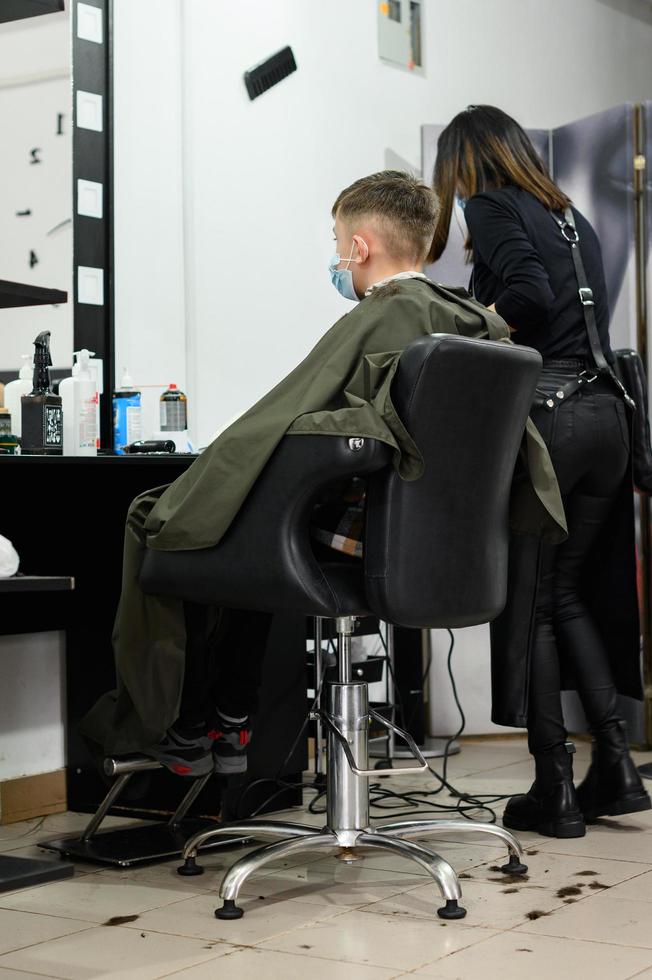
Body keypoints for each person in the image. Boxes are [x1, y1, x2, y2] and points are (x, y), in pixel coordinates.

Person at [83, 170, 564, 779]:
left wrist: (214, 475)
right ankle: (228, 721)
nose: (337, 257)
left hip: (372, 537)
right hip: (444, 541)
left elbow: (293, 421)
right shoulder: (471, 323)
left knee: (169, 518)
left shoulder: (386, 317)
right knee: (247, 522)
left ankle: (171, 726)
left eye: (338, 241)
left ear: (359, 246)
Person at [430, 104, 651, 838]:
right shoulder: (569, 214)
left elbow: (525, 295)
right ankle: (614, 768)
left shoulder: (492, 205)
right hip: (608, 419)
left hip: (553, 422)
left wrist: (458, 323)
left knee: (531, 606)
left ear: (467, 164)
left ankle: (552, 789)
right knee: (568, 596)